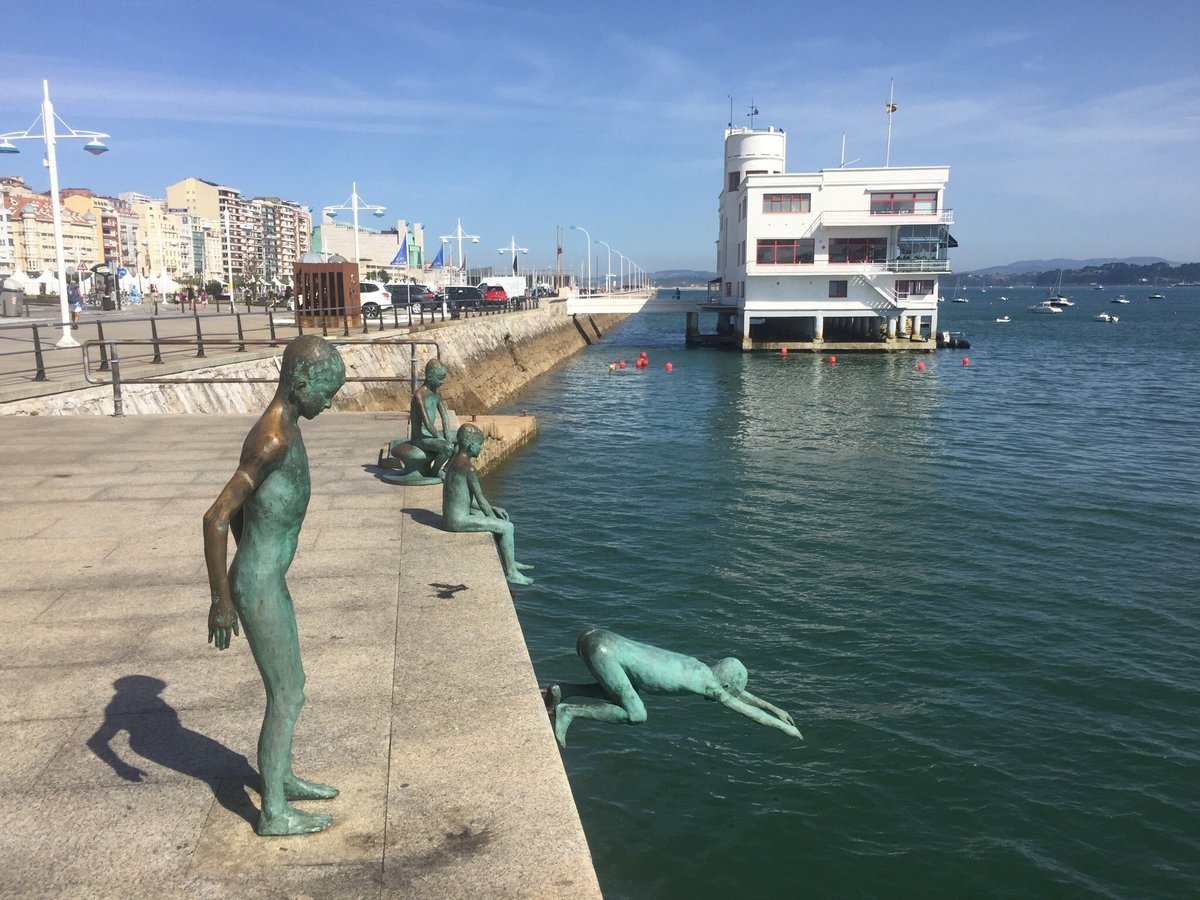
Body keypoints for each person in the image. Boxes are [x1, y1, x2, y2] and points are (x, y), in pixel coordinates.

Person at [203, 334, 346, 836]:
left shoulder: (286, 426)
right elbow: (217, 517)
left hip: (265, 576)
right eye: (326, 393)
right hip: (259, 584)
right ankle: (274, 813)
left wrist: (250, 561)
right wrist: (224, 599)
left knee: (293, 687)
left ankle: (280, 777)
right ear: (300, 381)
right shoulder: (272, 439)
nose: (329, 403)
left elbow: (245, 512)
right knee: (286, 695)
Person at [545, 628, 802, 748]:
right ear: (723, 684)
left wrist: (776, 708)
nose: (725, 697)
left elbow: (739, 695)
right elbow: (745, 710)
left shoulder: (701, 669)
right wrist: (784, 728)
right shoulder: (709, 685)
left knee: (621, 691)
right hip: (605, 652)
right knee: (637, 714)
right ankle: (570, 712)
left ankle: (562, 690)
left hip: (599, 637)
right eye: (727, 691)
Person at [442, 423, 534, 586]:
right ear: (471, 445)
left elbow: (464, 498)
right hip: (456, 521)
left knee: (497, 520)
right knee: (507, 527)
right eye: (480, 444)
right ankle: (511, 572)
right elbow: (481, 500)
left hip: (451, 516)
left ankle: (509, 561)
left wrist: (493, 509)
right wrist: (496, 520)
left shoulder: (453, 462)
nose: (482, 448)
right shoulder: (468, 469)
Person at [409, 359, 455, 478]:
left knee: (460, 439)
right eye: (440, 378)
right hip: (420, 437)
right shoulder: (419, 395)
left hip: (431, 435)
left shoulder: (437, 394)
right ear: (429, 377)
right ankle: (433, 472)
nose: (442, 382)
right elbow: (427, 424)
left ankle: (446, 469)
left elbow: (445, 417)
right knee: (448, 447)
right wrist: (441, 439)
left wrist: (448, 436)